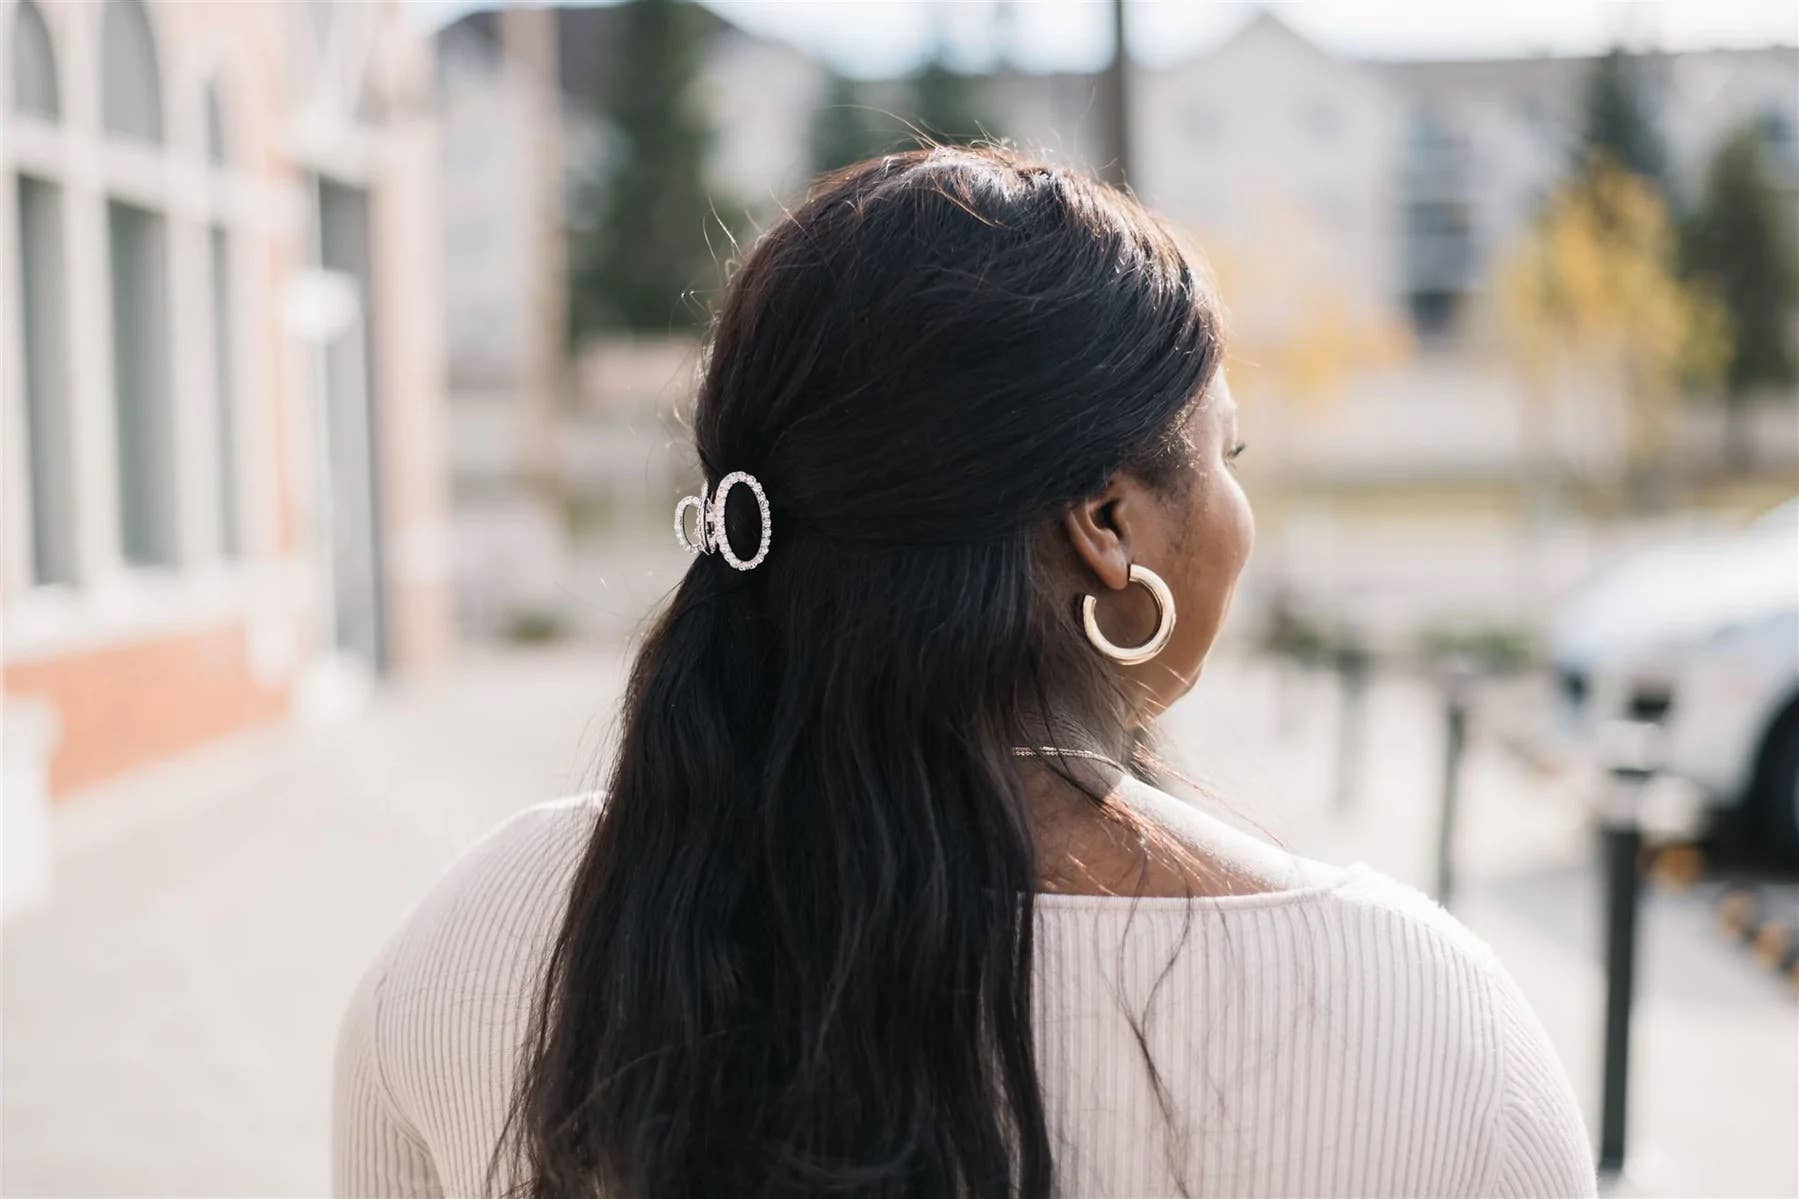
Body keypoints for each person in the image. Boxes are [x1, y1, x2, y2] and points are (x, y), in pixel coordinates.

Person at [333, 145, 1594, 1198]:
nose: (1239, 506)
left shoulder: (483, 934)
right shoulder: (1415, 1019)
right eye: (1228, 450)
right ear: (1104, 522)